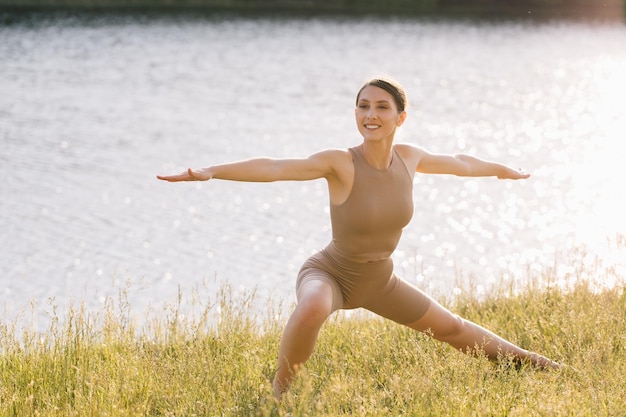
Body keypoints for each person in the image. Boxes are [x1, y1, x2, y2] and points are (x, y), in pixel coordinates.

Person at [157, 77, 560, 399]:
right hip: (330, 272)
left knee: (453, 329)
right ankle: (278, 396)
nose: (371, 114)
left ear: (400, 117)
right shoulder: (341, 162)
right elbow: (277, 167)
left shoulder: (410, 157)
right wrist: (212, 171)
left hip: (380, 281)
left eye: (382, 107)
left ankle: (535, 363)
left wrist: (501, 169)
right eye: (363, 106)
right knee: (313, 306)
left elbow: (461, 163)